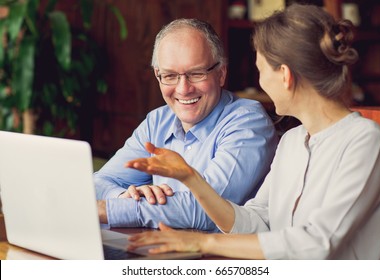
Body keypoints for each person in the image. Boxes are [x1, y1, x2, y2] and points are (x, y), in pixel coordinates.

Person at [125, 4, 380, 259]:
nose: (259, 82)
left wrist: (201, 241)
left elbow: (317, 243)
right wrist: (191, 178)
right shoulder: (292, 142)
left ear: (284, 75)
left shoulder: (365, 140)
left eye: (261, 71)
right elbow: (259, 220)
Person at [94, 18, 278, 231]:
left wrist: (112, 210)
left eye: (196, 74)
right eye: (170, 76)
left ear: (221, 73)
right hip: (164, 250)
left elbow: (208, 208)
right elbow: (100, 181)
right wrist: (123, 196)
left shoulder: (248, 122)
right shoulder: (157, 121)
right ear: (157, 75)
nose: (183, 89)